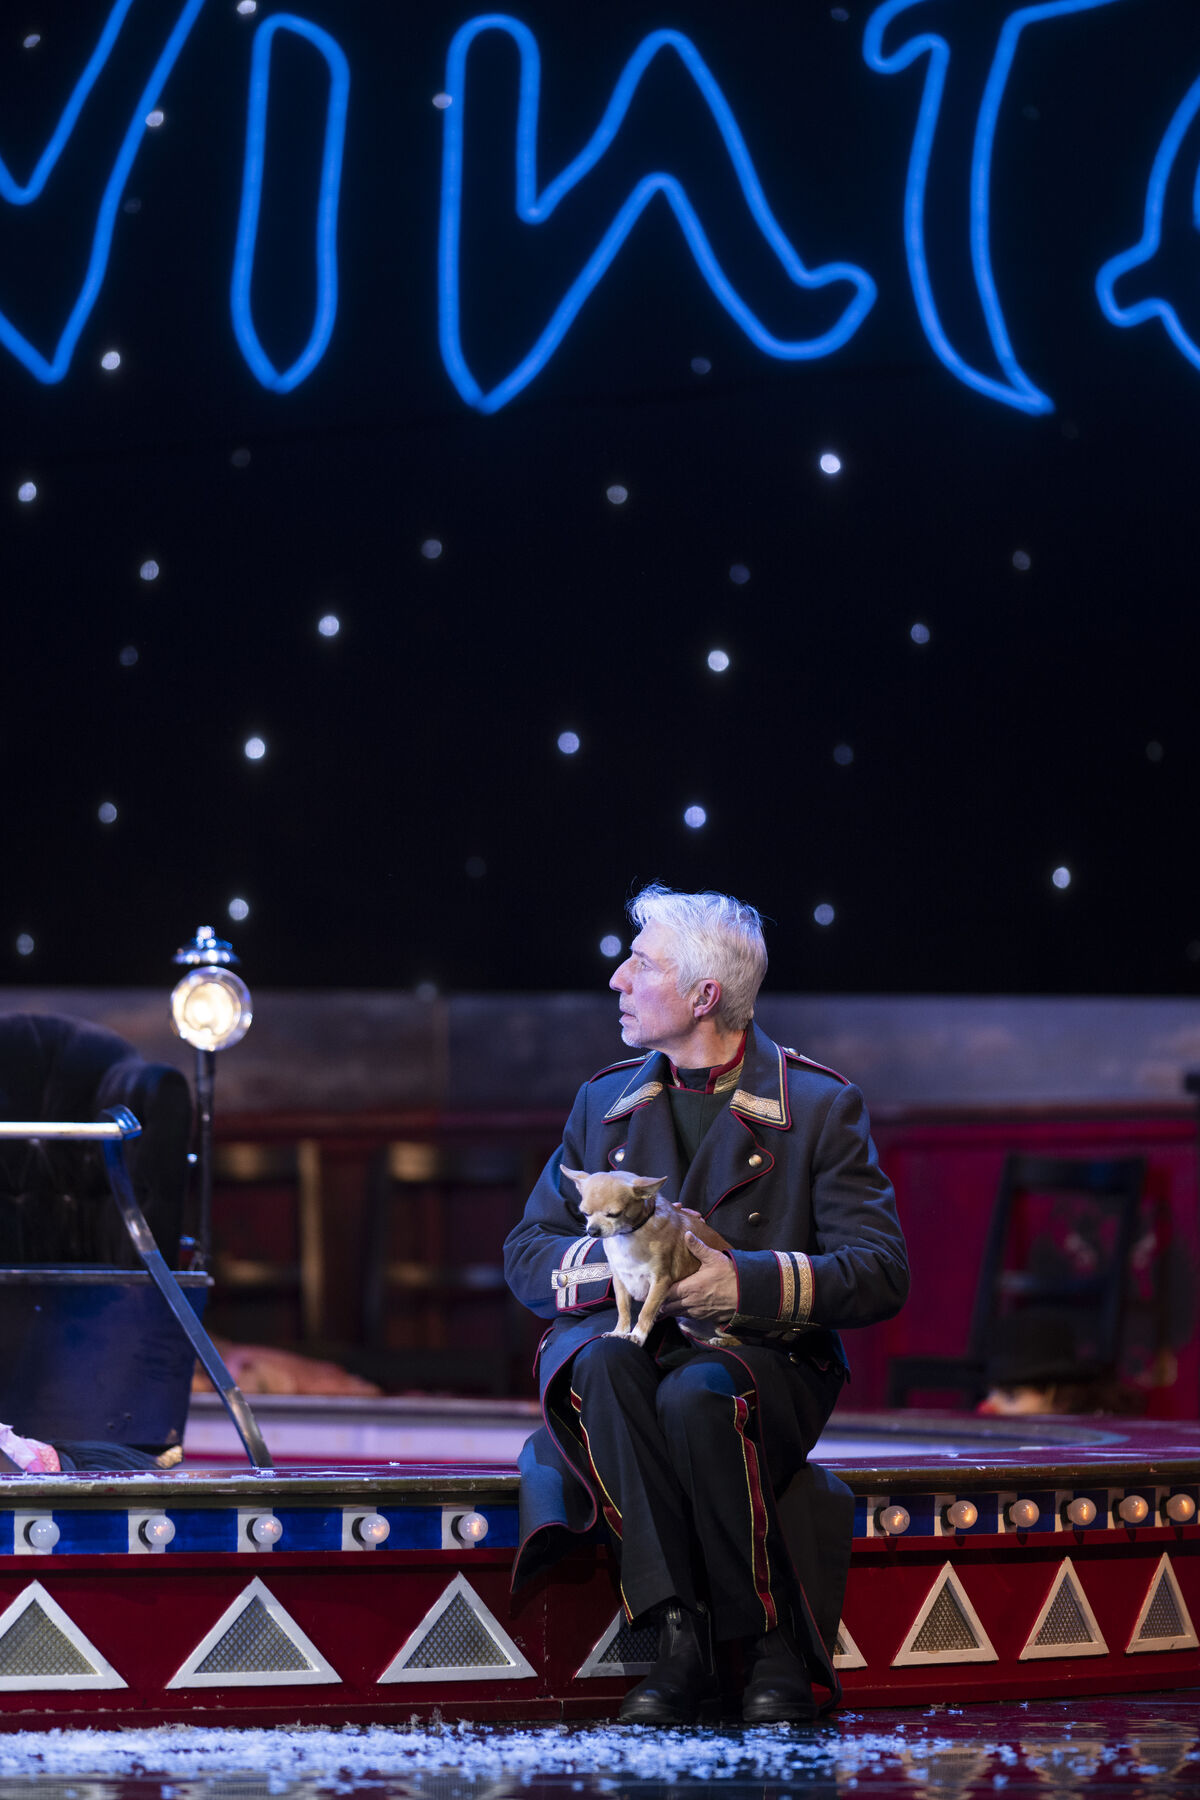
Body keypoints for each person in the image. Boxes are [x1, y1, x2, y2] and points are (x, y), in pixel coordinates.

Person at [504, 885, 909, 1724]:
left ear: (703, 995)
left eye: (639, 963)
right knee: (607, 1363)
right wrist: (625, 1268)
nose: (616, 978)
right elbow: (528, 1253)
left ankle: (764, 1644)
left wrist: (745, 1283)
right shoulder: (604, 1103)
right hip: (634, 1343)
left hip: (767, 1355)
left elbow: (879, 1271)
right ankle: (677, 1637)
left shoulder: (820, 1105)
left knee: (700, 1393)